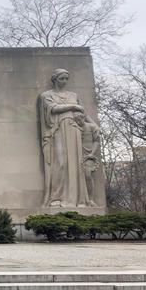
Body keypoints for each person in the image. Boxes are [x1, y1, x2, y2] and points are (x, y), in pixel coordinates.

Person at [38, 68, 97, 207]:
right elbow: (53, 109)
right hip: (58, 129)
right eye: (61, 78)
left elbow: (83, 112)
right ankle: (56, 198)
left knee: (76, 164)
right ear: (55, 79)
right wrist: (74, 106)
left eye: (66, 79)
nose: (64, 81)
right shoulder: (47, 95)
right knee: (60, 163)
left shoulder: (73, 95)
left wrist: (94, 125)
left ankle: (79, 199)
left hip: (74, 129)